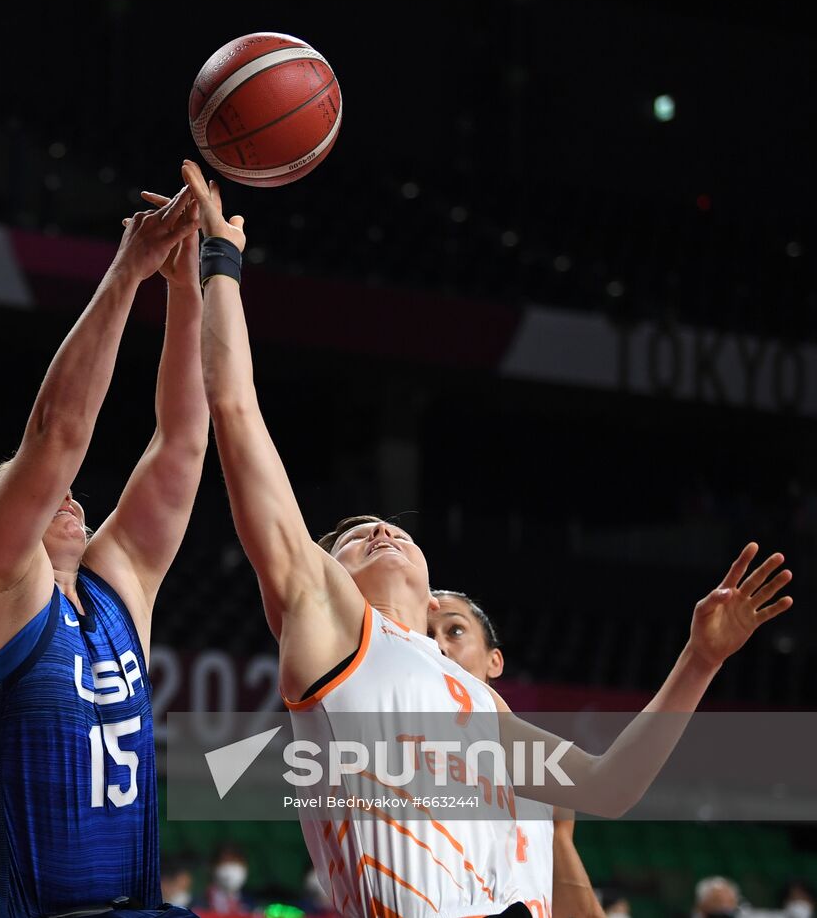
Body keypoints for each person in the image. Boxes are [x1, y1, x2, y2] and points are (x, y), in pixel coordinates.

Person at [184, 157, 795, 918]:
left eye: (389, 528)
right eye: (352, 539)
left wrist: (701, 658)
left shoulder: (481, 707)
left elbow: (610, 787)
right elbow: (235, 410)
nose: (379, 530)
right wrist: (221, 261)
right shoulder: (333, 626)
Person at [0, 184, 203, 918]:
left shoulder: (119, 587)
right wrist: (128, 271)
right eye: (24, 491)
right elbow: (56, 436)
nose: (63, 494)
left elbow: (183, 443)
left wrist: (187, 289)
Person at [427, 591, 603, 918]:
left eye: (455, 630)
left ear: (494, 661)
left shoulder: (540, 770)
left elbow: (573, 903)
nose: (437, 645)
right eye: (424, 635)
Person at [197, 844, 255, 916]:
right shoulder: (198, 904)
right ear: (212, 868)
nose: (231, 869)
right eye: (225, 862)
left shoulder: (253, 905)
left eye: (236, 862)